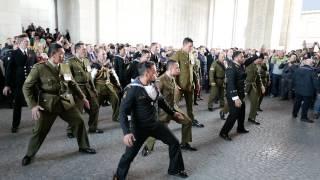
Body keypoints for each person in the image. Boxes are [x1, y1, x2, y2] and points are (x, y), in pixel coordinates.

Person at [21, 43, 96, 166]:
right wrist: (33, 105)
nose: (63, 56)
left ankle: (83, 146)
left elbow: (72, 84)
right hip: (48, 103)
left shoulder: (65, 67)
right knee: (40, 130)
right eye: (60, 54)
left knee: (79, 121)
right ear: (52, 55)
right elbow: (26, 87)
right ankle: (29, 154)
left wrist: (83, 98)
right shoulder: (39, 68)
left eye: (63, 54)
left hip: (65, 101)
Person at [113, 61, 188, 179]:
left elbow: (161, 101)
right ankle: (119, 176)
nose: (157, 72)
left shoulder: (153, 85)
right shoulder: (132, 89)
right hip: (139, 128)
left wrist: (173, 113)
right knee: (129, 156)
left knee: (174, 143)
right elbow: (122, 113)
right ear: (147, 73)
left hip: (155, 124)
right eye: (154, 71)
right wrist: (126, 133)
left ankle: (175, 169)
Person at [141, 60, 195, 157]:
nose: (179, 69)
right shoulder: (160, 80)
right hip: (163, 111)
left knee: (187, 121)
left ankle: (184, 143)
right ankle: (148, 147)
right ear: (170, 69)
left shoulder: (172, 78)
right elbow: (156, 98)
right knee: (159, 130)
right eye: (177, 67)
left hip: (173, 107)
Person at [219, 51, 261, 141]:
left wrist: (258, 54)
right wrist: (236, 98)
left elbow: (250, 60)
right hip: (233, 95)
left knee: (242, 112)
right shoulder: (231, 68)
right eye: (242, 57)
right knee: (233, 115)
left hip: (241, 94)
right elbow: (231, 85)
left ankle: (240, 128)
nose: (243, 58)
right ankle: (223, 132)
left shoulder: (240, 65)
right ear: (236, 58)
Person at [3, 34, 37, 133]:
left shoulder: (32, 52)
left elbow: (35, 67)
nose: (27, 43)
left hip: (31, 83)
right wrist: (7, 85)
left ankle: (38, 124)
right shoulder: (14, 53)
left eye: (28, 41)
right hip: (19, 83)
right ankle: (15, 125)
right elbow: (9, 70)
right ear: (20, 42)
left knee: (34, 104)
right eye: (25, 41)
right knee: (17, 105)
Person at [67, 42, 102, 137]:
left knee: (95, 106)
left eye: (85, 49)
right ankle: (70, 130)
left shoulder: (86, 61)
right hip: (77, 89)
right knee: (77, 110)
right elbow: (68, 79)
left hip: (88, 88)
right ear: (77, 50)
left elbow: (89, 76)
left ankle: (93, 127)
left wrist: (94, 89)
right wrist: (70, 93)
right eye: (83, 49)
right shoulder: (70, 62)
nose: (85, 51)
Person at [170, 37, 204, 128]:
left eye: (192, 46)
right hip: (179, 86)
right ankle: (163, 124)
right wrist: (175, 85)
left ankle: (192, 120)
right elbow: (171, 72)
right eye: (190, 46)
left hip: (189, 85)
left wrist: (197, 82)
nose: (191, 48)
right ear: (184, 45)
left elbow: (192, 70)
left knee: (190, 106)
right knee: (172, 106)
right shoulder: (177, 55)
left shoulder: (191, 55)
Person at [91, 48, 121, 122]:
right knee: (96, 106)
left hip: (109, 86)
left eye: (105, 54)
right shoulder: (95, 65)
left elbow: (114, 75)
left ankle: (116, 117)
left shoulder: (108, 64)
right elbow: (91, 78)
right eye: (103, 54)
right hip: (98, 88)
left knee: (116, 99)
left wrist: (118, 85)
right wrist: (92, 90)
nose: (105, 56)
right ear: (97, 55)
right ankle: (93, 124)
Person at [292, 58, 318, 123]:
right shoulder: (312, 72)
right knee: (306, 104)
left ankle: (294, 114)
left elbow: (293, 78)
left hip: (298, 89)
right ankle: (303, 117)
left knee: (297, 102)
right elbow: (315, 82)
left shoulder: (298, 69)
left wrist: (294, 87)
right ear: (311, 64)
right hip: (308, 91)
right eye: (312, 63)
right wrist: (318, 89)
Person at [245, 56, 265, 125]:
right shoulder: (247, 65)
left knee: (255, 100)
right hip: (245, 85)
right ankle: (224, 111)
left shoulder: (256, 66)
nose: (260, 60)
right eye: (258, 59)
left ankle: (252, 117)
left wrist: (262, 86)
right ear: (255, 60)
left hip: (252, 86)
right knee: (237, 101)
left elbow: (258, 77)